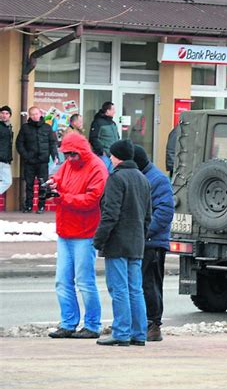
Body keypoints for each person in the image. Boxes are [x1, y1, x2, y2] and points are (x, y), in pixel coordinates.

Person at [47, 132, 108, 339]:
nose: (70, 159)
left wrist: (62, 197)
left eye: (73, 154)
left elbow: (92, 200)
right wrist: (53, 184)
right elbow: (59, 178)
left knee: (84, 281)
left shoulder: (96, 167)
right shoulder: (68, 165)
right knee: (62, 281)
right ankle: (68, 322)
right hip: (66, 230)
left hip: (84, 232)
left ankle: (92, 324)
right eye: (67, 155)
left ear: (81, 151)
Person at [93, 139, 151, 347]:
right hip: (136, 242)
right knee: (135, 288)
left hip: (117, 242)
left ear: (117, 157)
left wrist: (99, 239)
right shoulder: (142, 178)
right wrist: (141, 236)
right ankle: (139, 333)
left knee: (119, 288)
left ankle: (121, 332)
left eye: (112, 155)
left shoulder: (117, 179)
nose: (109, 158)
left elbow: (110, 214)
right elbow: (148, 216)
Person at [133, 145, 174, 341]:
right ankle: (142, 322)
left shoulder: (157, 179)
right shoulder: (141, 176)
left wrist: (144, 233)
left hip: (152, 242)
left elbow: (164, 212)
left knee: (150, 284)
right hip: (141, 239)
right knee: (138, 283)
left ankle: (153, 324)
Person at [15, 106, 58, 213]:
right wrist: (26, 155)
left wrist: (55, 156)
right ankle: (28, 206)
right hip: (29, 161)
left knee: (43, 185)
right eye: (32, 114)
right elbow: (19, 144)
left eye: (36, 114)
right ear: (30, 116)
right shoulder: (25, 128)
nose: (35, 116)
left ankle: (41, 206)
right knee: (29, 185)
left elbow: (52, 143)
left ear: (40, 114)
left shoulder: (47, 128)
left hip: (43, 161)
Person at [89, 101, 119, 173]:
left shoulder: (113, 123)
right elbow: (93, 138)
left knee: (112, 176)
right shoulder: (98, 122)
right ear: (107, 111)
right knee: (103, 175)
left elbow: (117, 137)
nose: (114, 112)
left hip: (114, 156)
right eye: (113, 110)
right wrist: (101, 152)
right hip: (104, 156)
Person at [0, 105, 13, 195]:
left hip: (5, 159)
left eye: (6, 113)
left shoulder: (8, 127)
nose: (4, 115)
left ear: (9, 115)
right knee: (7, 181)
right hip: (1, 158)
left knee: (7, 181)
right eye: (2, 113)